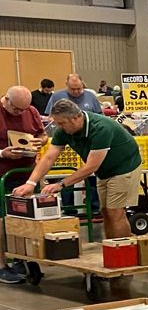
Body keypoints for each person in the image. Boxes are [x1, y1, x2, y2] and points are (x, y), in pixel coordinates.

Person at [13, 99, 141, 240]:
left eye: (61, 123)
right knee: (105, 211)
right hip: (104, 171)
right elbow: (49, 157)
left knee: (115, 212)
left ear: (75, 118)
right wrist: (30, 183)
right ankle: (112, 248)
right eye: (57, 123)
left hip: (124, 167)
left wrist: (61, 184)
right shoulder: (63, 130)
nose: (59, 127)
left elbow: (91, 166)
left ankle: (123, 253)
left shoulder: (101, 128)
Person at [0, 87, 48, 284]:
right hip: (2, 175)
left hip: (26, 174)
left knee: (26, 219)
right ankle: (2, 265)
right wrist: (3, 153)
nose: (21, 113)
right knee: (1, 221)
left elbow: (43, 134)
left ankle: (23, 258)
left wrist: (39, 142)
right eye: (17, 110)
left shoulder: (31, 111)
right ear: (7, 101)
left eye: (24, 109)